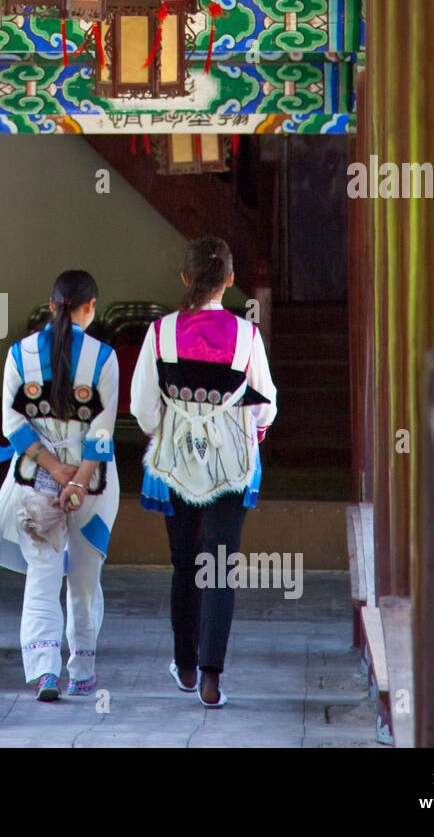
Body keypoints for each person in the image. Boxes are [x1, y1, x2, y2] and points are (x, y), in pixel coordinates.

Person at [130, 237, 277, 708]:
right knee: (219, 566)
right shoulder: (246, 335)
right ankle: (213, 676)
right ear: (231, 280)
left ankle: (186, 665)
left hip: (174, 463)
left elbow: (141, 407)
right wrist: (245, 434)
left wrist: (171, 429)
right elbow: (266, 405)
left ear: (185, 278)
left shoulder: (160, 334)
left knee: (185, 563)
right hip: (230, 466)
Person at [0, 270, 120, 702]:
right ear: (90, 307)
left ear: (51, 305)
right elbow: (103, 433)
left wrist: (55, 472)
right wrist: (76, 481)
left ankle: (44, 672)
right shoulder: (104, 357)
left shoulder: (19, 355)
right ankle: (82, 672)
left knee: (42, 574)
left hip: (36, 481)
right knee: (85, 578)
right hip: (93, 483)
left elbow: (12, 426)